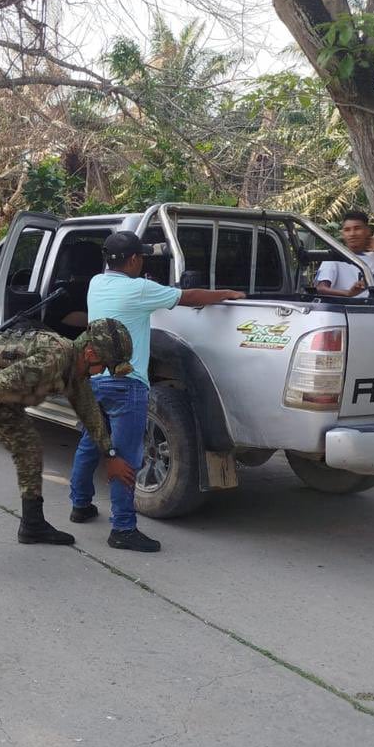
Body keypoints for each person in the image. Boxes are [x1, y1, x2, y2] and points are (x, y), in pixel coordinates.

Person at [0, 319, 138, 580]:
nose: (100, 373)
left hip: (0, 400)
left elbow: (90, 412)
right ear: (90, 353)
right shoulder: (53, 360)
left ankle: (33, 525)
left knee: (29, 449)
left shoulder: (74, 368)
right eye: (104, 367)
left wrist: (109, 454)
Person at [68, 232, 245, 552]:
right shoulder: (140, 289)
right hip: (126, 384)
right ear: (134, 260)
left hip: (95, 381)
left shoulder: (96, 283)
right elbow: (188, 296)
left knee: (90, 444)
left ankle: (80, 505)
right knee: (125, 456)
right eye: (142, 257)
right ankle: (122, 529)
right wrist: (227, 294)